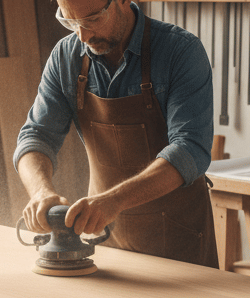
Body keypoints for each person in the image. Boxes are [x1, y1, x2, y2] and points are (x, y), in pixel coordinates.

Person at [14, 0, 216, 267]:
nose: (82, 35)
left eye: (91, 20)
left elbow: (190, 149)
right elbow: (35, 137)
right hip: (103, 242)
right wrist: (40, 191)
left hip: (180, 245)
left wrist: (114, 200)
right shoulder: (65, 57)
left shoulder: (180, 51)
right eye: (70, 22)